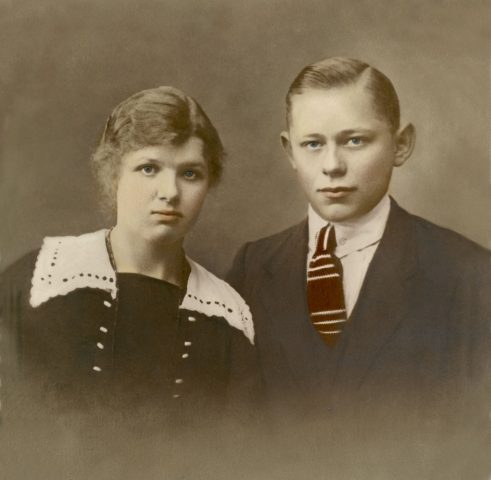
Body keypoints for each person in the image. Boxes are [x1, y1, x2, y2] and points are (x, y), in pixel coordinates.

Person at [227, 57, 491, 477]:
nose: (332, 165)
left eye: (354, 141)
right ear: (289, 151)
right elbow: (228, 430)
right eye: (313, 144)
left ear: (401, 144)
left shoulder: (469, 275)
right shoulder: (252, 269)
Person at [0, 86, 256, 446]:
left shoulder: (227, 316)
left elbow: (241, 454)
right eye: (148, 168)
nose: (169, 191)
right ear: (113, 174)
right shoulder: (41, 278)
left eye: (190, 174)